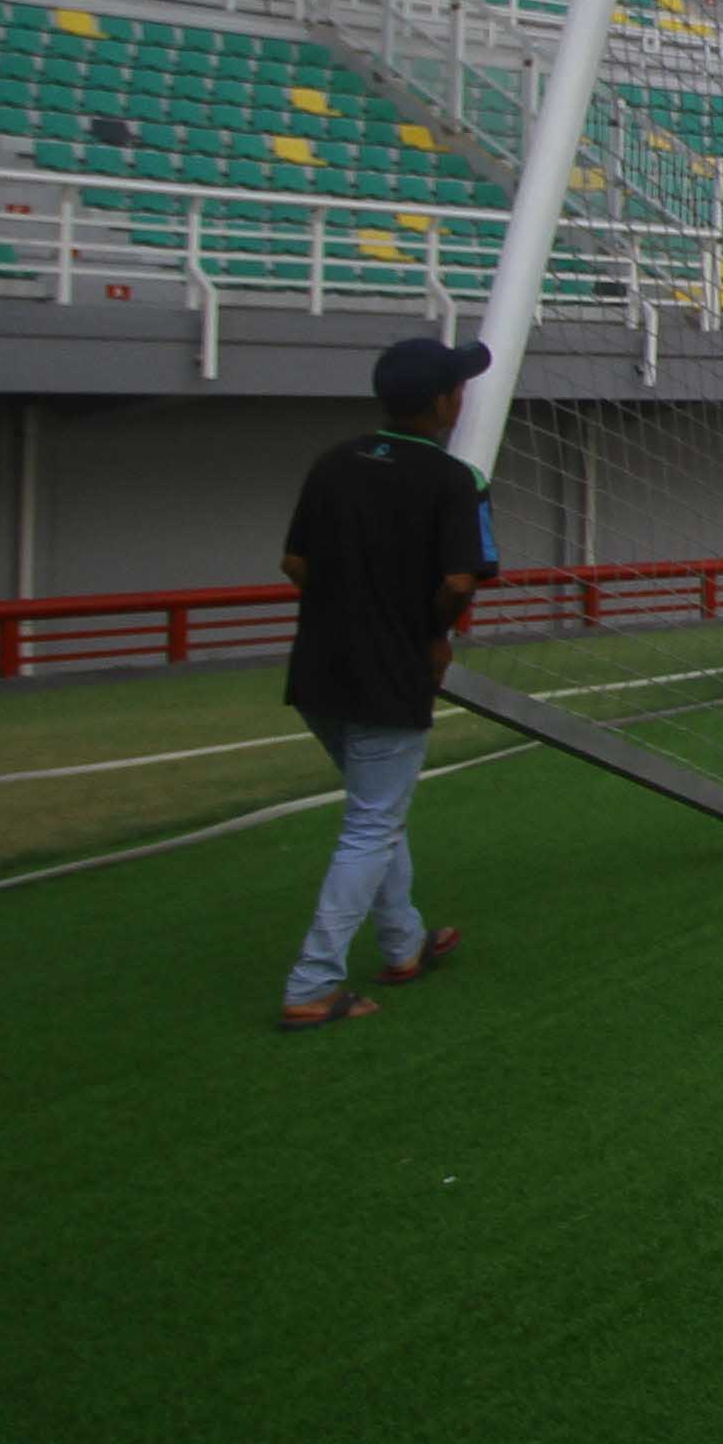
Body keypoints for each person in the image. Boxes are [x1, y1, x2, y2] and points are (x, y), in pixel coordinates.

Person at [273, 334, 497, 1031]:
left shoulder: (333, 463)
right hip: (389, 673)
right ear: (442, 402)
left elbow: (295, 563)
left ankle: (404, 943)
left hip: (317, 669)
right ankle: (313, 981)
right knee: (370, 825)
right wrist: (426, 630)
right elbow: (460, 578)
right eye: (458, 387)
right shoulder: (450, 479)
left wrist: (349, 601)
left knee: (378, 811)